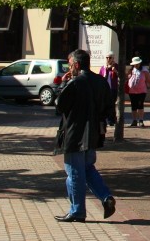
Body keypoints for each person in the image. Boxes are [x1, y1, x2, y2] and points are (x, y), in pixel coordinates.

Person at [53, 49, 116, 223]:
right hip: (94, 134)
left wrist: (61, 85)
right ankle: (106, 197)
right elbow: (109, 107)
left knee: (74, 173)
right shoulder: (101, 81)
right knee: (87, 169)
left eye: (69, 63)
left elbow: (59, 105)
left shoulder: (75, 82)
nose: (69, 67)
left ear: (77, 64)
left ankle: (77, 211)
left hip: (75, 134)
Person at [125, 56, 150, 127]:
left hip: (142, 91)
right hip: (132, 91)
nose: (136, 65)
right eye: (135, 64)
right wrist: (128, 76)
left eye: (137, 63)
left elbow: (148, 79)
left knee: (140, 105)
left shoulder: (144, 70)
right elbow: (126, 77)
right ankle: (134, 120)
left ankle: (141, 120)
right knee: (133, 106)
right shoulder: (131, 70)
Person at [99, 52, 119, 126]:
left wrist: (116, 71)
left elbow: (122, 76)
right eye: (107, 57)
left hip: (113, 88)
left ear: (113, 58)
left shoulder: (116, 66)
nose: (108, 59)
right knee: (104, 104)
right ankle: (105, 119)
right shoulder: (103, 67)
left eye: (110, 57)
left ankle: (112, 120)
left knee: (112, 104)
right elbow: (99, 77)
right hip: (104, 89)